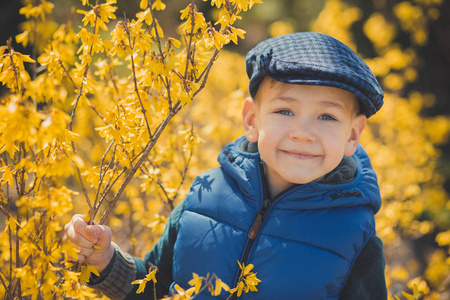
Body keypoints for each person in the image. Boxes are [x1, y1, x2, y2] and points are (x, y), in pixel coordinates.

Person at [64, 32, 387, 299]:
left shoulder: (355, 239)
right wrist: (106, 261)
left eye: (327, 117)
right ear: (251, 119)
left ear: (353, 135)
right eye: (284, 111)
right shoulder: (203, 200)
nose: (302, 133)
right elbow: (156, 287)